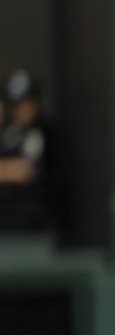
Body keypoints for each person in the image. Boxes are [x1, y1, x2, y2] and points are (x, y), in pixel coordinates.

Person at [0, 69, 53, 233]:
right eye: (14, 104)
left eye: (24, 103)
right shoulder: (12, 132)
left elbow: (24, 170)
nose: (19, 110)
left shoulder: (40, 130)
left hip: (32, 221)